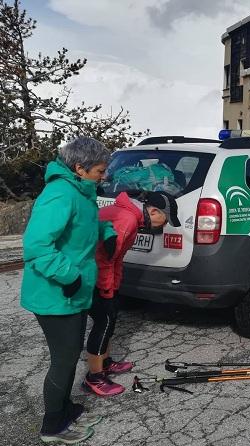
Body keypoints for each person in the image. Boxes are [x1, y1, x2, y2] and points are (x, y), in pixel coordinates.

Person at [20, 137, 116, 444]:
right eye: (100, 171)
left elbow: (87, 224)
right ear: (80, 168)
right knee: (63, 359)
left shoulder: (81, 191)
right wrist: (69, 276)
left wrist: (108, 232)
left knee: (71, 354)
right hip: (56, 292)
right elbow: (36, 246)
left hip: (74, 291)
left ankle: (64, 408)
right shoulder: (60, 194)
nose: (105, 176)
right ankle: (52, 426)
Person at [83, 190, 180, 396]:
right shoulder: (127, 220)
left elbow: (117, 258)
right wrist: (107, 290)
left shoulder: (132, 217)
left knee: (111, 316)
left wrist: (114, 286)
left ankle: (105, 363)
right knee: (104, 321)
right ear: (153, 211)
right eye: (166, 220)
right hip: (88, 275)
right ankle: (94, 378)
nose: (165, 225)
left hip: (98, 274)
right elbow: (104, 260)